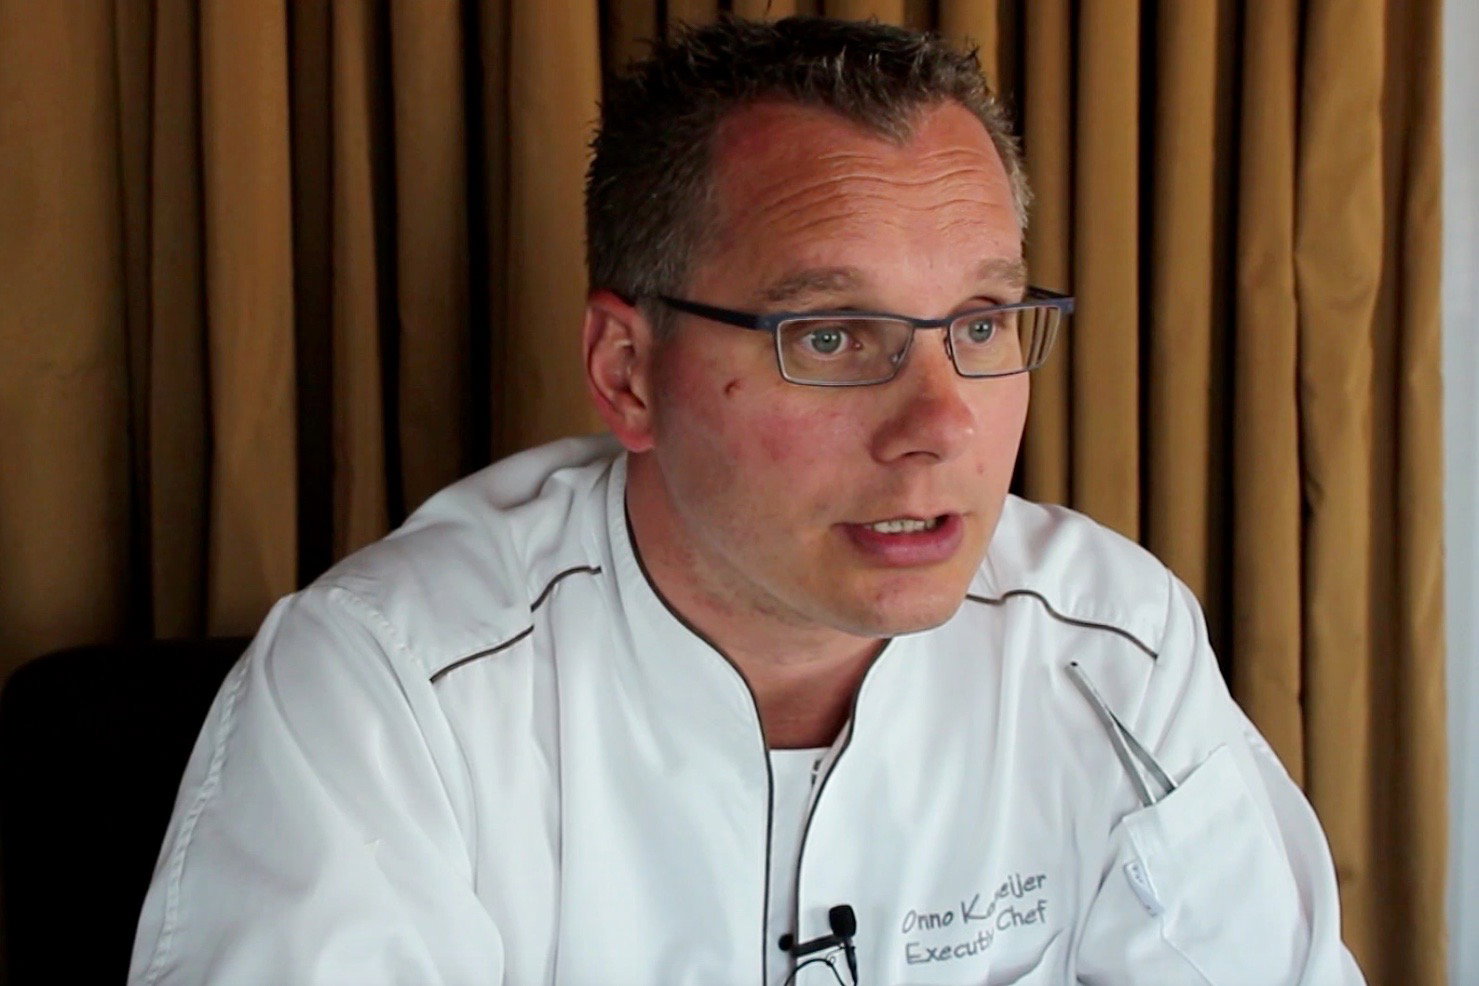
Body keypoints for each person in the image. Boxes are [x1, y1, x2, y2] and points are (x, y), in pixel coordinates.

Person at [129, 16, 1365, 986]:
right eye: (830, 336)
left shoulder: (1113, 647)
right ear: (629, 372)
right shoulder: (392, 689)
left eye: (982, 323)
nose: (942, 424)